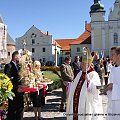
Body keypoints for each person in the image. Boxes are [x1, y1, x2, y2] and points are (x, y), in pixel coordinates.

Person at [67, 47, 103, 120]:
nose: (81, 65)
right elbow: (74, 85)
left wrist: (89, 81)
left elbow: (97, 89)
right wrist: (69, 84)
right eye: (82, 63)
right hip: (76, 101)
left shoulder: (93, 74)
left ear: (88, 65)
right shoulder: (79, 73)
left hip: (86, 102)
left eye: (84, 64)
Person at [101, 46, 120, 120]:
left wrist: (113, 86)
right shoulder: (113, 69)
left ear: (119, 55)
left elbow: (113, 85)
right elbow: (110, 83)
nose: (111, 58)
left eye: (113, 55)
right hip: (112, 102)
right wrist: (106, 88)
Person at [4, 51, 24, 120]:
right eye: (19, 56)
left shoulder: (18, 66)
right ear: (15, 57)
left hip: (20, 91)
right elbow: (7, 80)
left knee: (20, 107)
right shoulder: (9, 66)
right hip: (13, 92)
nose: (20, 58)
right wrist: (16, 88)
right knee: (13, 110)